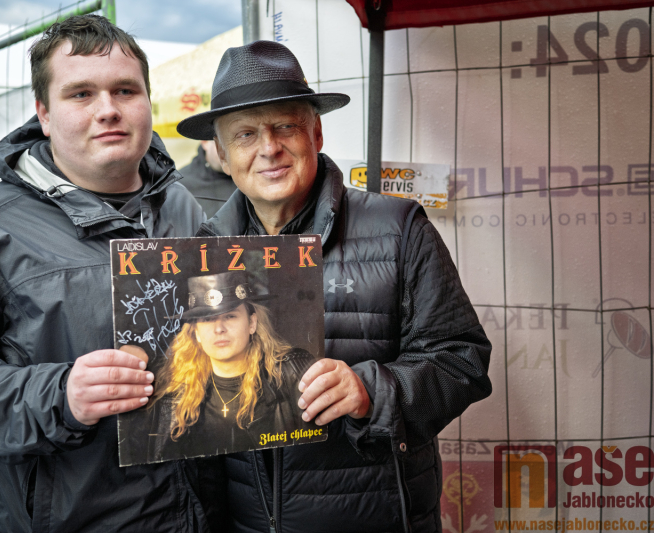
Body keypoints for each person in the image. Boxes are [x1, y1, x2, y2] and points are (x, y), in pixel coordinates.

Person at [0, 15, 224, 533]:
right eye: (81, 94)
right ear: (44, 113)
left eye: (125, 90)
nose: (108, 109)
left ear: (148, 101)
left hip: (196, 511)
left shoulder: (182, 207)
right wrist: (60, 396)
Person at [176, 41, 493, 533]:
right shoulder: (201, 253)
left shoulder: (399, 228)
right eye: (245, 134)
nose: (268, 148)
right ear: (223, 153)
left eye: (285, 126)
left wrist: (372, 391)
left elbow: (462, 360)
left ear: (316, 133)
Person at [147, 272, 319, 462]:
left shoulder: (292, 373)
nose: (219, 328)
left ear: (251, 323)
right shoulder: (174, 395)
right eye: (207, 319)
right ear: (196, 332)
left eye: (230, 316)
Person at [178, 140, 237, 217]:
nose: (231, 151)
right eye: (222, 143)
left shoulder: (249, 177)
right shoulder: (180, 185)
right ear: (205, 142)